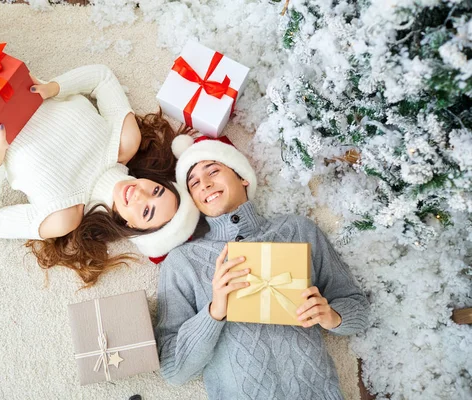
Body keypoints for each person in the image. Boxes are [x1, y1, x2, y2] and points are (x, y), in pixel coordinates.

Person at [0, 0, 200, 287]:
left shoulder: (65, 217)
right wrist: (54, 88)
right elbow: (101, 76)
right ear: (155, 180)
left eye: (146, 211)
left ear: (132, 226)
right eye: (156, 190)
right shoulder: (125, 141)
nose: (141, 195)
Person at [155, 135, 371, 399]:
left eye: (213, 170)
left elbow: (358, 309)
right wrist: (214, 312)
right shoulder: (182, 262)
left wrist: (332, 315)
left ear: (243, 176)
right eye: (194, 183)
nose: (206, 184)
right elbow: (173, 370)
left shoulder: (296, 229)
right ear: (194, 201)